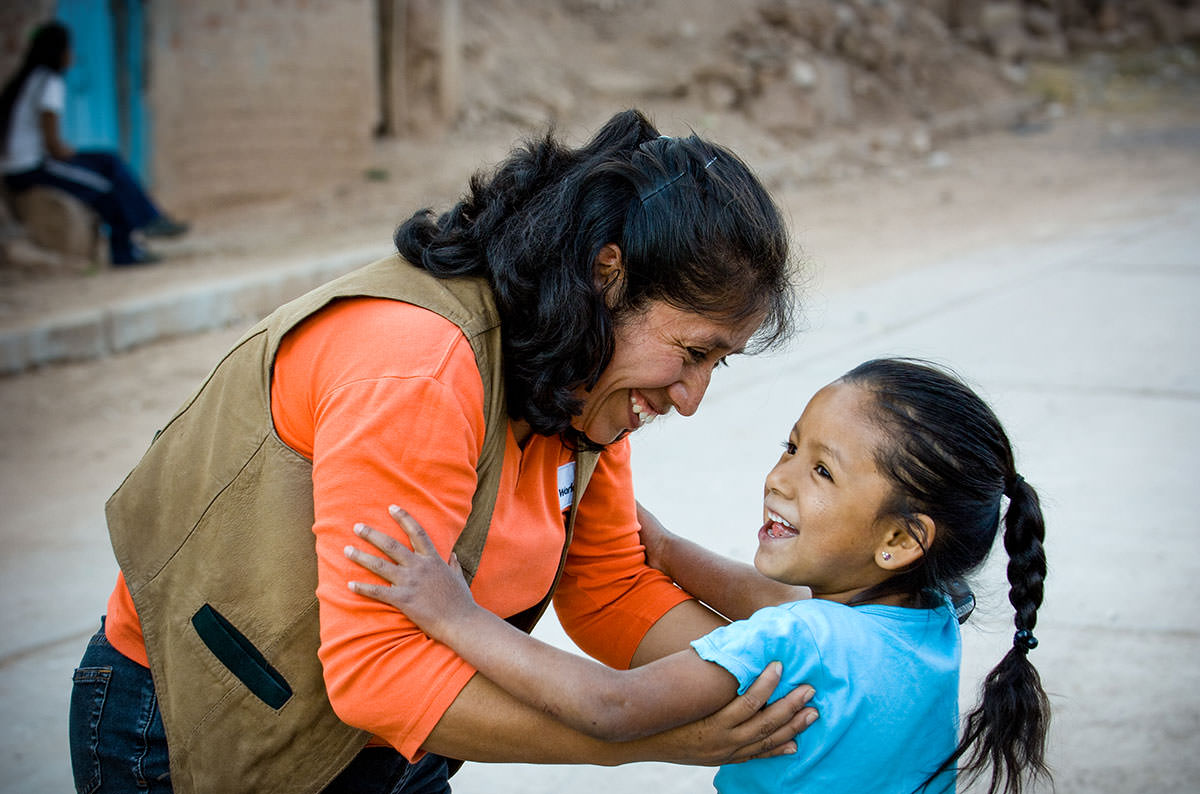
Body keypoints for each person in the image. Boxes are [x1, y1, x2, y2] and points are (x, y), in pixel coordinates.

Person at [68, 109, 817, 794]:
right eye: (691, 352)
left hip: (391, 746)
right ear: (606, 275)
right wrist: (638, 740)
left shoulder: (585, 380)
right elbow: (380, 671)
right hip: (185, 728)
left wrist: (792, 676)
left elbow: (611, 588)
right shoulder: (418, 367)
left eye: (717, 365)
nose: (691, 398)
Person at [347, 358, 1053, 794]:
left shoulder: (796, 638)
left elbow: (611, 706)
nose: (779, 478)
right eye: (791, 447)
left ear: (900, 539)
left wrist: (455, 615)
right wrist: (666, 548)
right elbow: (787, 599)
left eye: (821, 472)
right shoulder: (928, 623)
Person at [0, 21, 187, 266]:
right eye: (69, 49)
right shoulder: (50, 83)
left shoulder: (27, 80)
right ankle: (126, 251)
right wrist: (70, 153)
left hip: (22, 165)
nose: (72, 56)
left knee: (108, 160)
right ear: (58, 52)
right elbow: (54, 146)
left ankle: (150, 220)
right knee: (105, 189)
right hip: (30, 168)